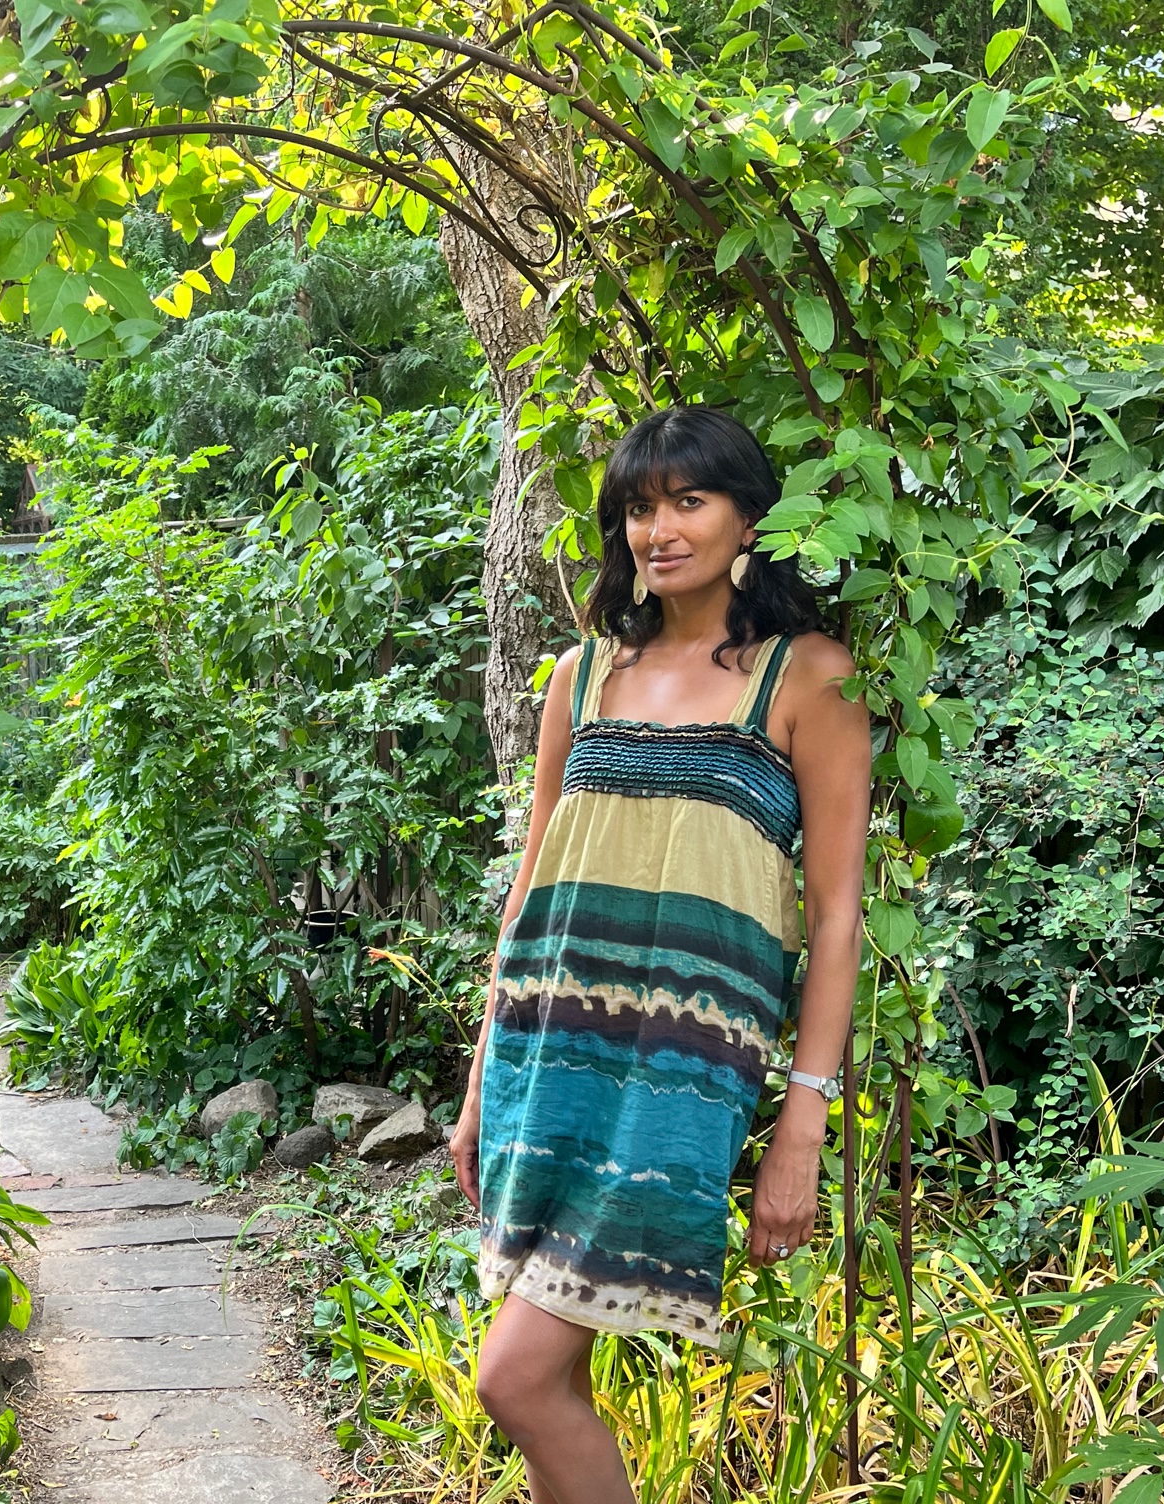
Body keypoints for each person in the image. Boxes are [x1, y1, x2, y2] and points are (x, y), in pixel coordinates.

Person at [448, 406, 871, 1503]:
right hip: (546, 1053)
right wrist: (479, 1079)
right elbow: (532, 885)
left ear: (750, 520)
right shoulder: (582, 674)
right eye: (640, 507)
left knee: (513, 1380)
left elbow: (835, 918)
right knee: (548, 1379)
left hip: (677, 1076)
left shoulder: (810, 678)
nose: (660, 529)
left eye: (690, 500)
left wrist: (803, 1124)